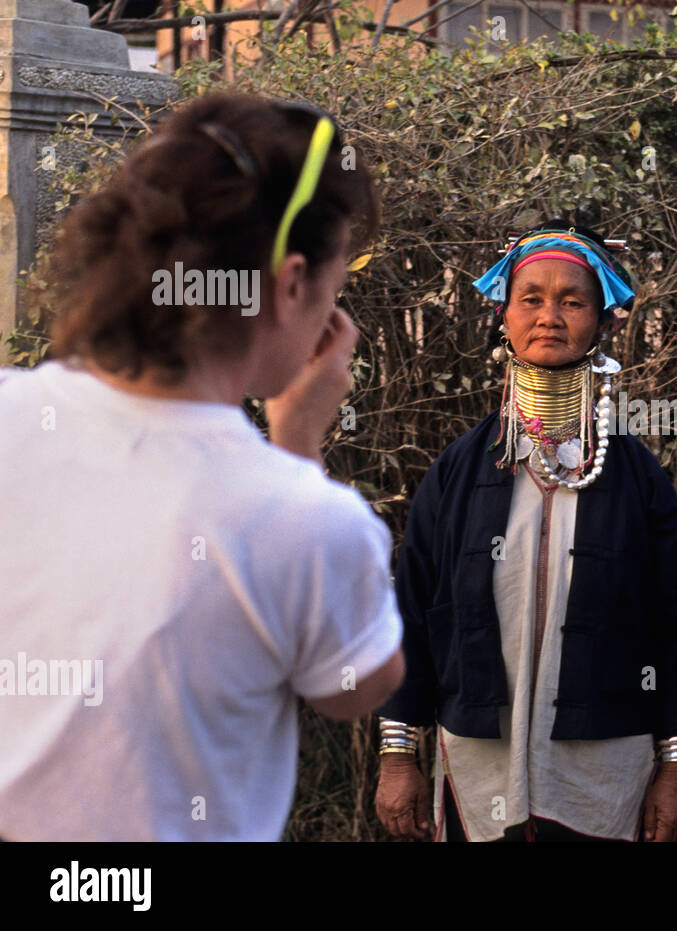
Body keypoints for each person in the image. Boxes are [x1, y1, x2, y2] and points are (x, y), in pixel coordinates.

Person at [0, 93, 405, 841]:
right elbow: (356, 686)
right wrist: (298, 450)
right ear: (289, 285)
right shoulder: (305, 516)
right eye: (333, 288)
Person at [374, 220, 677, 842]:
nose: (549, 316)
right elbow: (413, 613)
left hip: (604, 763)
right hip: (479, 761)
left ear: (605, 323)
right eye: (531, 298)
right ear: (504, 317)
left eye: (572, 301)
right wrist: (398, 754)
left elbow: (672, 629)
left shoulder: (636, 479)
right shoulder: (458, 470)